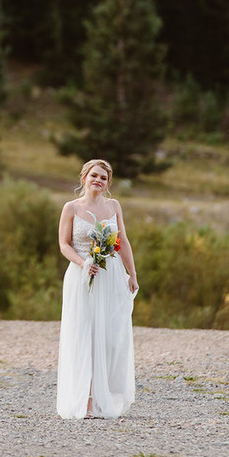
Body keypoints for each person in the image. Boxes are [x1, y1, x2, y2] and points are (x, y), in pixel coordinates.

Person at [56, 158, 138, 419]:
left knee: (110, 335)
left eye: (103, 178)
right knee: (85, 334)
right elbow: (64, 245)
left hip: (112, 275)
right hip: (82, 277)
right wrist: (84, 263)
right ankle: (86, 401)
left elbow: (122, 240)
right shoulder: (71, 208)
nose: (98, 181)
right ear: (84, 178)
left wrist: (132, 273)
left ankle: (104, 395)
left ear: (108, 183)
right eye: (94, 176)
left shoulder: (114, 206)